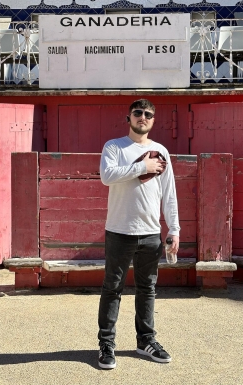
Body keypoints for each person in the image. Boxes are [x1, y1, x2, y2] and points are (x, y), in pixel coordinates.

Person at [97, 98, 180, 369]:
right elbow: (107, 176)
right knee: (113, 288)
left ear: (153, 120)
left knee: (148, 289)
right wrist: (142, 168)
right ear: (128, 118)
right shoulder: (114, 146)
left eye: (147, 114)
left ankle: (146, 341)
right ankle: (107, 345)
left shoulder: (161, 152)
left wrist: (174, 229)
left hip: (150, 232)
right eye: (137, 113)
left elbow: (169, 195)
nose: (142, 117)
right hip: (119, 230)